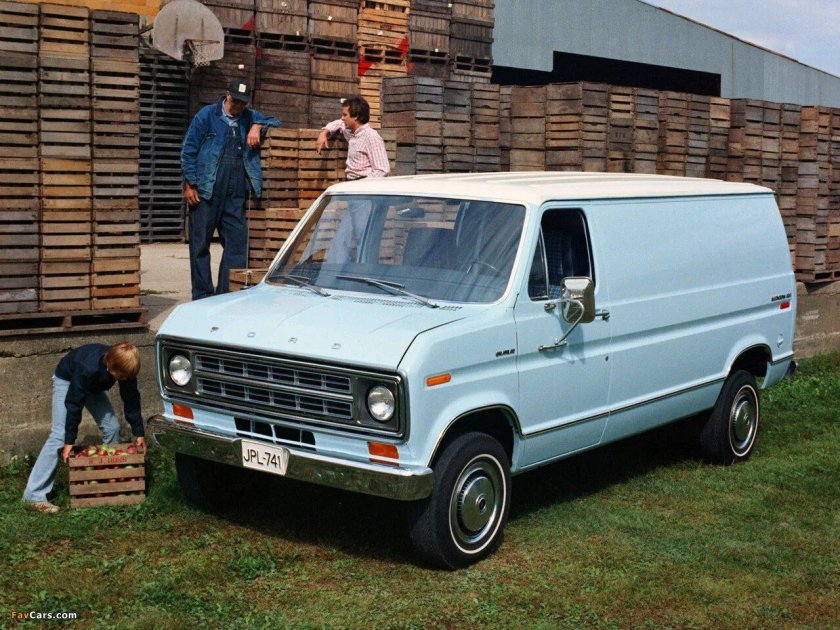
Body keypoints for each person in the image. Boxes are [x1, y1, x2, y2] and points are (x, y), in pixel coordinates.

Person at [181, 79, 281, 299]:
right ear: (227, 95)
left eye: (242, 103)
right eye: (235, 101)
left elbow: (276, 121)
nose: (238, 106)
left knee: (238, 242)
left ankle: (226, 293)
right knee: (200, 245)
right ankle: (202, 295)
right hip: (206, 189)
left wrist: (257, 125)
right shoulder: (206, 115)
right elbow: (189, 151)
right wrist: (190, 184)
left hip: (235, 191)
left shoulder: (248, 117)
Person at [22, 343, 146, 514]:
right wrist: (69, 441)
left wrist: (139, 432)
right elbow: (74, 404)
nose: (124, 380)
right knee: (59, 435)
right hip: (69, 379)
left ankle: (108, 482)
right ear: (110, 365)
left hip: (93, 385)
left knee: (112, 428)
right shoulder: (87, 368)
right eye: (121, 377)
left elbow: (131, 398)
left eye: (126, 377)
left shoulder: (126, 368)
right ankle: (34, 496)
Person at [315, 96, 390, 264]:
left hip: (366, 195)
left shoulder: (371, 137)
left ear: (355, 117)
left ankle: (366, 275)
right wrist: (324, 132)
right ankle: (333, 275)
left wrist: (363, 185)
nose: (342, 118)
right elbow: (337, 124)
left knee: (364, 239)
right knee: (342, 238)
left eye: (345, 114)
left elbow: (383, 169)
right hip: (354, 192)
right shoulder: (352, 132)